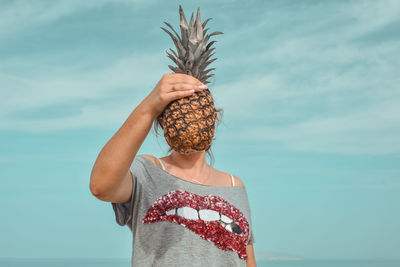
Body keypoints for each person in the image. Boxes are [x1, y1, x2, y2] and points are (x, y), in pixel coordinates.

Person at [89, 73, 256, 266]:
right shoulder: (146, 172)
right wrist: (149, 106)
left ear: (213, 118)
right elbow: (101, 186)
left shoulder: (234, 185)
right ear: (163, 121)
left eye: (197, 111)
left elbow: (247, 260)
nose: (190, 116)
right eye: (181, 111)